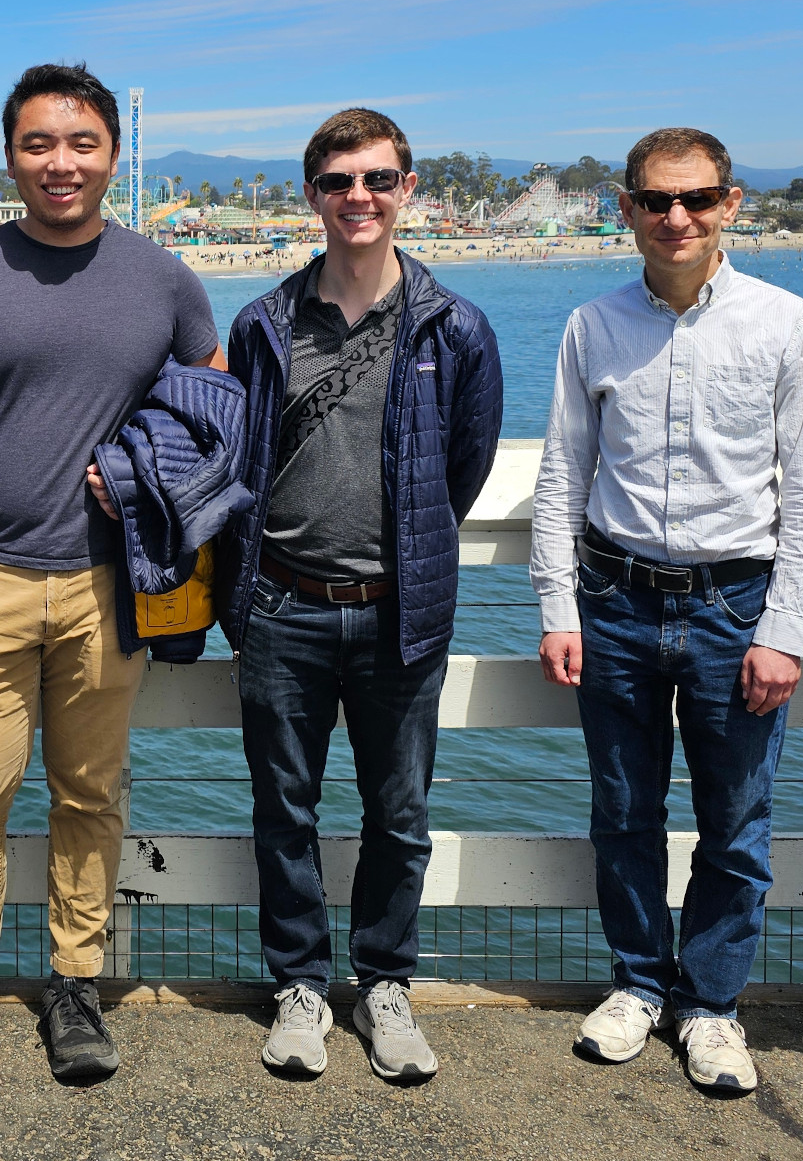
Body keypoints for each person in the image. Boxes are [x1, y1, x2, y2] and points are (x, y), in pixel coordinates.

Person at [0, 63, 222, 1081]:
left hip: (106, 579)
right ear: (9, 159)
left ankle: (74, 983)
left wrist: (147, 475)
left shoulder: (162, 277)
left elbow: (214, 413)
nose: (59, 162)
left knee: (88, 792)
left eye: (80, 143)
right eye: (38, 144)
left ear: (112, 156)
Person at [531, 127, 803, 1094]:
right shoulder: (592, 323)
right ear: (624, 208)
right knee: (622, 813)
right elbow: (561, 474)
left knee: (736, 821)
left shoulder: (785, 322)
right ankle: (637, 984)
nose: (677, 219)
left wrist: (784, 629)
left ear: (730, 204)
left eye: (696, 200)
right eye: (656, 201)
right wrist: (556, 606)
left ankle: (710, 1004)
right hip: (614, 598)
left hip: (735, 604)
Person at [217, 109, 503, 1081]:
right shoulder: (261, 324)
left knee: (398, 814)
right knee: (282, 810)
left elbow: (457, 471)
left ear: (406, 188)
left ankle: (383, 984)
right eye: (338, 182)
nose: (358, 199)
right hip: (280, 607)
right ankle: (298, 985)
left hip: (397, 609)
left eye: (377, 180)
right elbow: (237, 458)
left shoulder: (453, 328)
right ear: (311, 196)